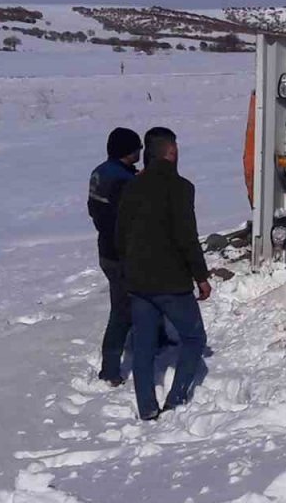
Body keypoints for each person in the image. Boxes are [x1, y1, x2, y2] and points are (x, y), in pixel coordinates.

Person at [116, 127, 212, 420]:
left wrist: (128, 268)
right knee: (194, 337)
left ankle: (146, 407)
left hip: (139, 281)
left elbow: (120, 235)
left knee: (143, 347)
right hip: (172, 283)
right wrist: (201, 276)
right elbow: (187, 237)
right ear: (171, 152)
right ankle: (176, 399)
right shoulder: (181, 188)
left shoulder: (131, 186)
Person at [88, 128, 142, 386]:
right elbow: (132, 220)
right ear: (127, 151)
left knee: (127, 304)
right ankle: (110, 370)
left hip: (106, 250)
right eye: (137, 148)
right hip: (122, 254)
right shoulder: (123, 182)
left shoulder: (101, 172)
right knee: (121, 311)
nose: (140, 151)